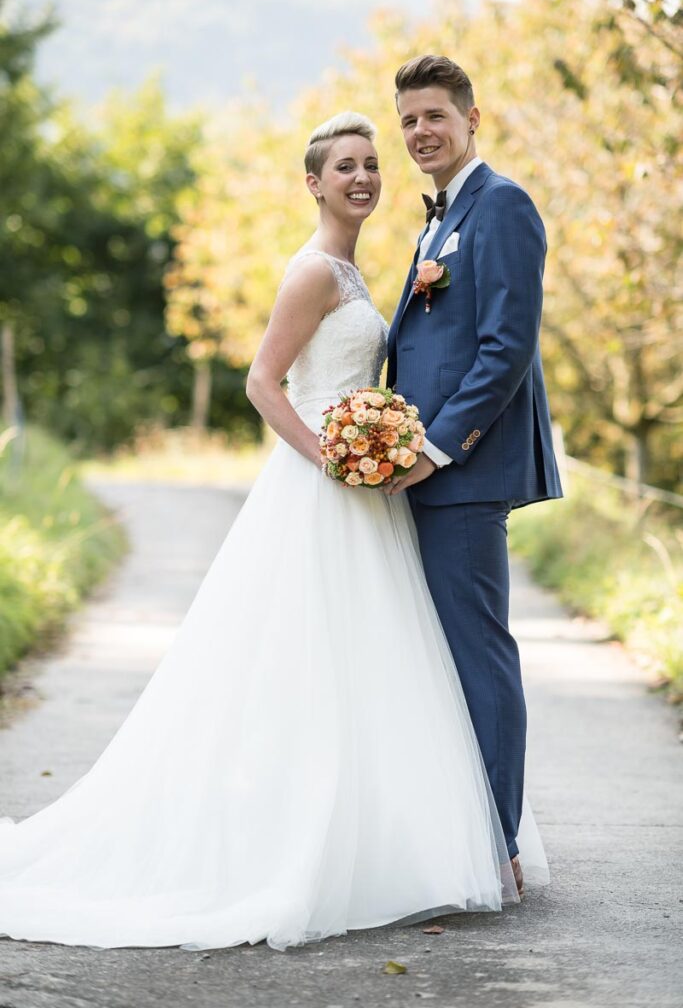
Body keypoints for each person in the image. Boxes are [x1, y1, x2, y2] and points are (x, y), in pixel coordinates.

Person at [0, 112, 547, 954]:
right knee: (302, 661)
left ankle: (386, 836)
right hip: (324, 484)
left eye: (370, 163)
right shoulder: (311, 272)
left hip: (366, 487)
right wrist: (330, 457)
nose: (362, 176)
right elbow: (262, 384)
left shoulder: (364, 270)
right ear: (313, 182)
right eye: (343, 166)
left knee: (371, 662)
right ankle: (296, 842)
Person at [384, 56, 564, 894]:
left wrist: (434, 448)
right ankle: (450, 828)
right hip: (418, 470)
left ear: (470, 118)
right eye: (409, 120)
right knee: (436, 657)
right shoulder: (434, 222)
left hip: (460, 472)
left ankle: (494, 845)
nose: (421, 131)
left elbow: (504, 348)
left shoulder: (502, 207)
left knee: (477, 652)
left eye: (434, 116)